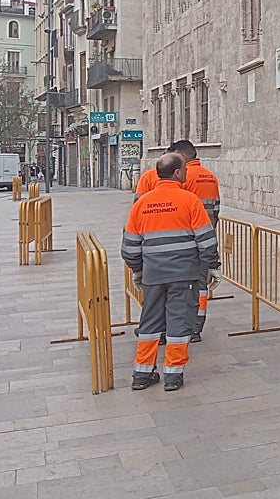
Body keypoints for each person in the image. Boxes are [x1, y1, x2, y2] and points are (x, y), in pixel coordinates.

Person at [120, 153, 221, 392]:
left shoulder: (142, 204)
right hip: (183, 274)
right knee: (177, 322)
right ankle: (173, 375)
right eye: (184, 169)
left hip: (153, 275)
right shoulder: (189, 201)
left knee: (150, 321)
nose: (186, 173)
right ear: (177, 172)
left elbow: (130, 245)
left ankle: (141, 374)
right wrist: (212, 266)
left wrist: (137, 269)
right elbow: (206, 240)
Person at [170, 139, 221, 341]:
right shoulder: (211, 176)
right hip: (206, 239)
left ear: (182, 157)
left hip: (186, 240)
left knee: (182, 286)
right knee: (201, 286)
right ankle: (196, 329)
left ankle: (181, 325)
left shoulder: (183, 176)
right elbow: (216, 209)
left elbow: (178, 207)